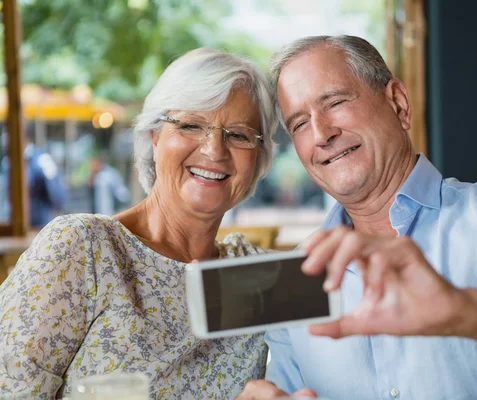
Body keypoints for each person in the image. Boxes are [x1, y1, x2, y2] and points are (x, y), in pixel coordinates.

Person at [238, 35, 477, 399]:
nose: (320, 134)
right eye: (299, 124)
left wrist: (466, 310)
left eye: (335, 102)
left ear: (398, 104)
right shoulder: (295, 277)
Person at [0, 48, 282, 399]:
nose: (214, 150)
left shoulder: (258, 276)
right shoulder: (84, 248)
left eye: (238, 134)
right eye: (191, 125)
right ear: (154, 136)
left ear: (260, 159)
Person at [0, 125, 68, 228]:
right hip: (15, 223)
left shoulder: (42, 160)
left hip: (39, 224)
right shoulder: (7, 163)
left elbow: (58, 195)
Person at [88, 151, 130, 215]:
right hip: (103, 214)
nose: (91, 167)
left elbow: (122, 195)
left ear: (98, 162)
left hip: (109, 214)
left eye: (93, 164)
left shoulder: (107, 175)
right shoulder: (99, 175)